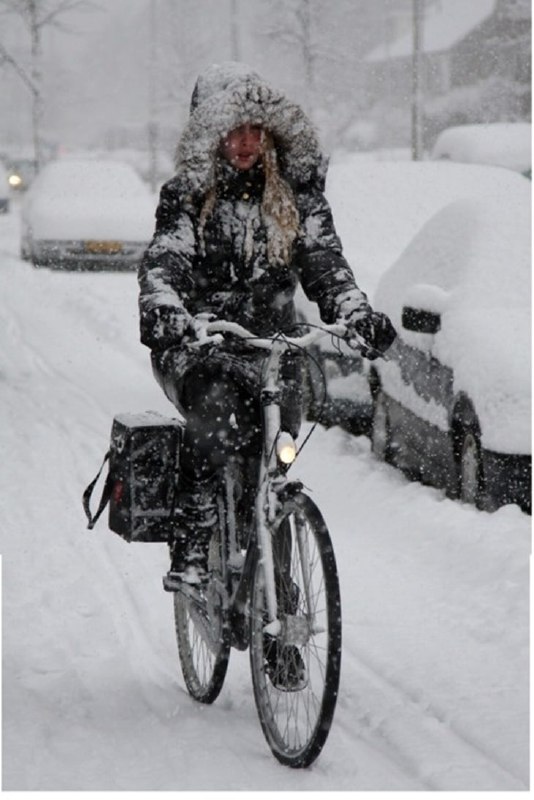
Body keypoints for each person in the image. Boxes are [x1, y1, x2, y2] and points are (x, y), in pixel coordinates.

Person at [138, 62, 396, 589]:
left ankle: (275, 597)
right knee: (215, 420)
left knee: (273, 452)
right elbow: (167, 259)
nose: (247, 142)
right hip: (199, 341)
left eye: (257, 130)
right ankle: (192, 543)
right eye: (234, 130)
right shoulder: (185, 196)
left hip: (271, 346)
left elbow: (324, 261)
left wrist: (355, 312)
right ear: (211, 135)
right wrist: (165, 307)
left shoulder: (294, 197)